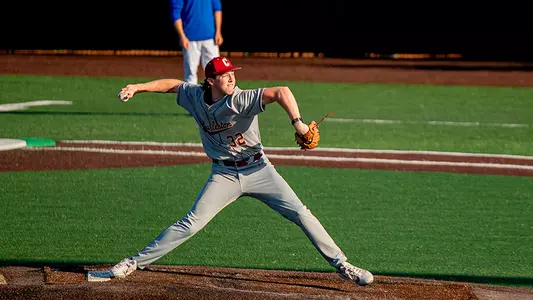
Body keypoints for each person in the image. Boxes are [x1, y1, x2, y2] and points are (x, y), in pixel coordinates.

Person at [110, 56, 374, 286]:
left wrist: (299, 123)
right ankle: (134, 262)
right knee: (191, 223)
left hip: (259, 170)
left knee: (301, 213)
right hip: (223, 175)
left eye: (233, 73)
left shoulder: (243, 98)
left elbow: (282, 91)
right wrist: (138, 87)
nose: (231, 78)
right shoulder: (195, 96)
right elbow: (172, 85)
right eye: (225, 75)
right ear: (210, 81)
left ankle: (343, 265)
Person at [171, 0, 223, 84]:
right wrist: (182, 36)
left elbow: (217, 9)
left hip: (210, 38)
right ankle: (191, 97)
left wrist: (218, 31)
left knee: (216, 73)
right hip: (189, 39)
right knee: (190, 75)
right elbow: (176, 13)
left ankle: (215, 97)